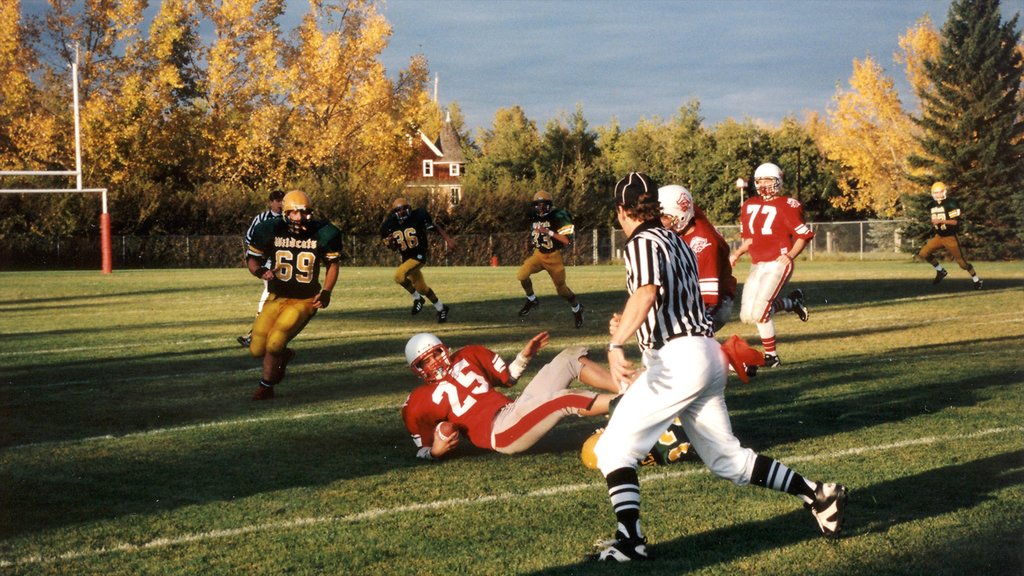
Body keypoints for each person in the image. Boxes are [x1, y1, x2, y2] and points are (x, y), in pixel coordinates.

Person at [592, 172, 846, 562]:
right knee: (728, 460)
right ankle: (817, 494)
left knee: (612, 448)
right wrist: (631, 324)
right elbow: (670, 301)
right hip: (706, 354)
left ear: (621, 210)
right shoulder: (675, 239)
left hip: (678, 360)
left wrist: (615, 344)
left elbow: (646, 292)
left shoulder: (641, 241)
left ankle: (631, 541)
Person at [400, 330, 622, 460]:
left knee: (569, 358)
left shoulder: (467, 355)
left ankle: (627, 388)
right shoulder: (419, 401)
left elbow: (508, 378)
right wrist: (436, 452)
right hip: (501, 432)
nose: (434, 362)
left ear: (443, 349)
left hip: (513, 409)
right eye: (425, 362)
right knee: (564, 400)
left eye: (435, 354)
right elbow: (423, 449)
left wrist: (524, 356)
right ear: (417, 369)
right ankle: (630, 405)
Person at [244, 190, 342, 400]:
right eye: (295, 213)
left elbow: (332, 265)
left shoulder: (323, 232)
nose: (300, 218)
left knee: (274, 342)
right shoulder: (270, 229)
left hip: (305, 299)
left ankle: (266, 386)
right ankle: (284, 355)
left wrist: (326, 292)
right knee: (256, 349)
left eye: (305, 212)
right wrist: (261, 271)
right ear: (285, 213)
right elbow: (252, 260)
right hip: (276, 296)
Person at [728, 162, 812, 368]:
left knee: (760, 312)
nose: (764, 184)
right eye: (760, 180)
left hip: (777, 262)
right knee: (747, 315)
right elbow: (749, 238)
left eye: (768, 180)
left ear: (778, 182)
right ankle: (793, 302)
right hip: (758, 263)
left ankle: (772, 356)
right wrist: (737, 253)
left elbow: (803, 235)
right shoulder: (748, 205)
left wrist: (790, 255)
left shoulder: (787, 204)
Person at [658, 184, 737, 331]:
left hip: (715, 302)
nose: (660, 221)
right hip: (695, 294)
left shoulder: (704, 245)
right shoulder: (690, 217)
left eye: (664, 217)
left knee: (692, 334)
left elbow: (707, 299)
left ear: (680, 216)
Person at [516, 190, 585, 329]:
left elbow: (566, 241)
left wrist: (548, 232)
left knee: (562, 290)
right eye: (538, 205)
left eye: (543, 205)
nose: (540, 208)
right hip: (538, 255)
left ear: (549, 205)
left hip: (554, 257)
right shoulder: (532, 216)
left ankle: (577, 309)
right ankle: (532, 300)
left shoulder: (558, 215)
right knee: (521, 275)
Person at [380, 198, 456, 323]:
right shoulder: (389, 225)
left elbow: (435, 227)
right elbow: (393, 248)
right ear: (395, 212)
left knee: (399, 276)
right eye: (399, 209)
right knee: (422, 288)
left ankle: (417, 299)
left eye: (404, 208)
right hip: (407, 259)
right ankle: (441, 308)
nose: (402, 211)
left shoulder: (418, 216)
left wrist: (448, 239)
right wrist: (392, 241)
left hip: (419, 256)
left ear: (409, 208)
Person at [237, 190, 285, 347]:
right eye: (277, 201)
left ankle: (257, 335)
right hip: (268, 263)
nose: (280, 204)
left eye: (282, 201)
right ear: (270, 202)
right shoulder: (261, 218)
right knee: (271, 297)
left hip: (284, 265)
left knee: (273, 299)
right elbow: (250, 239)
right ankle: (256, 335)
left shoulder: (289, 218)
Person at [918, 181, 983, 290]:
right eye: (936, 192)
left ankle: (977, 279)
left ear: (944, 192)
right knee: (924, 253)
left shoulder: (951, 203)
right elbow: (933, 218)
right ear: (933, 194)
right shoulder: (931, 205)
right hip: (939, 237)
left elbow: (955, 222)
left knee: (962, 264)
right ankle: (940, 271)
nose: (938, 195)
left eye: (940, 192)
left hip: (950, 237)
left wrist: (941, 221)